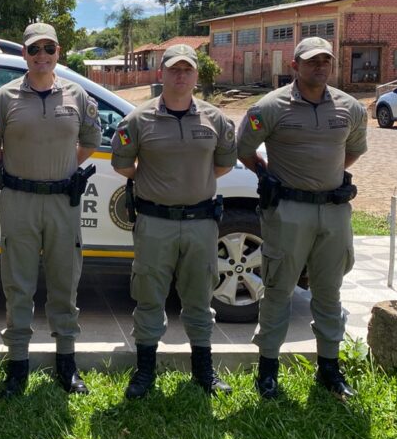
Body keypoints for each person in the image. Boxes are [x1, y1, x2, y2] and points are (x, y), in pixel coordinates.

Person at [237, 37, 368, 400]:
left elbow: (354, 148)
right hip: (288, 212)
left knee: (329, 291)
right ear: (295, 65)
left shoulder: (350, 107)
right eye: (312, 61)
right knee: (278, 289)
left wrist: (324, 178)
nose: (320, 67)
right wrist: (265, 174)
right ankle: (267, 370)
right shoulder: (271, 106)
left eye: (326, 60)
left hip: (334, 211)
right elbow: (244, 147)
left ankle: (329, 368)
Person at [0, 23, 102, 397]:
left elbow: (90, 141)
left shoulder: (77, 96)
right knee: (18, 283)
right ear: (24, 55)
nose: (42, 55)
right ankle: (17, 364)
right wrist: (24, 170)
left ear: (58, 52)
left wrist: (61, 168)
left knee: (65, 281)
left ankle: (66, 361)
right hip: (20, 201)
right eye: (35, 49)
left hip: (63, 202)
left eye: (49, 48)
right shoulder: (5, 97)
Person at [111, 44, 237, 398]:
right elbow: (123, 165)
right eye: (174, 69)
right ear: (161, 73)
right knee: (149, 296)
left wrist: (190, 184)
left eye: (187, 70)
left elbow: (223, 164)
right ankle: (145, 371)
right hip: (155, 223)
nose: (180, 76)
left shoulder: (215, 119)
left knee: (198, 298)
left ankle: (204, 371)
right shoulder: (138, 120)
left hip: (201, 223)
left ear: (196, 75)